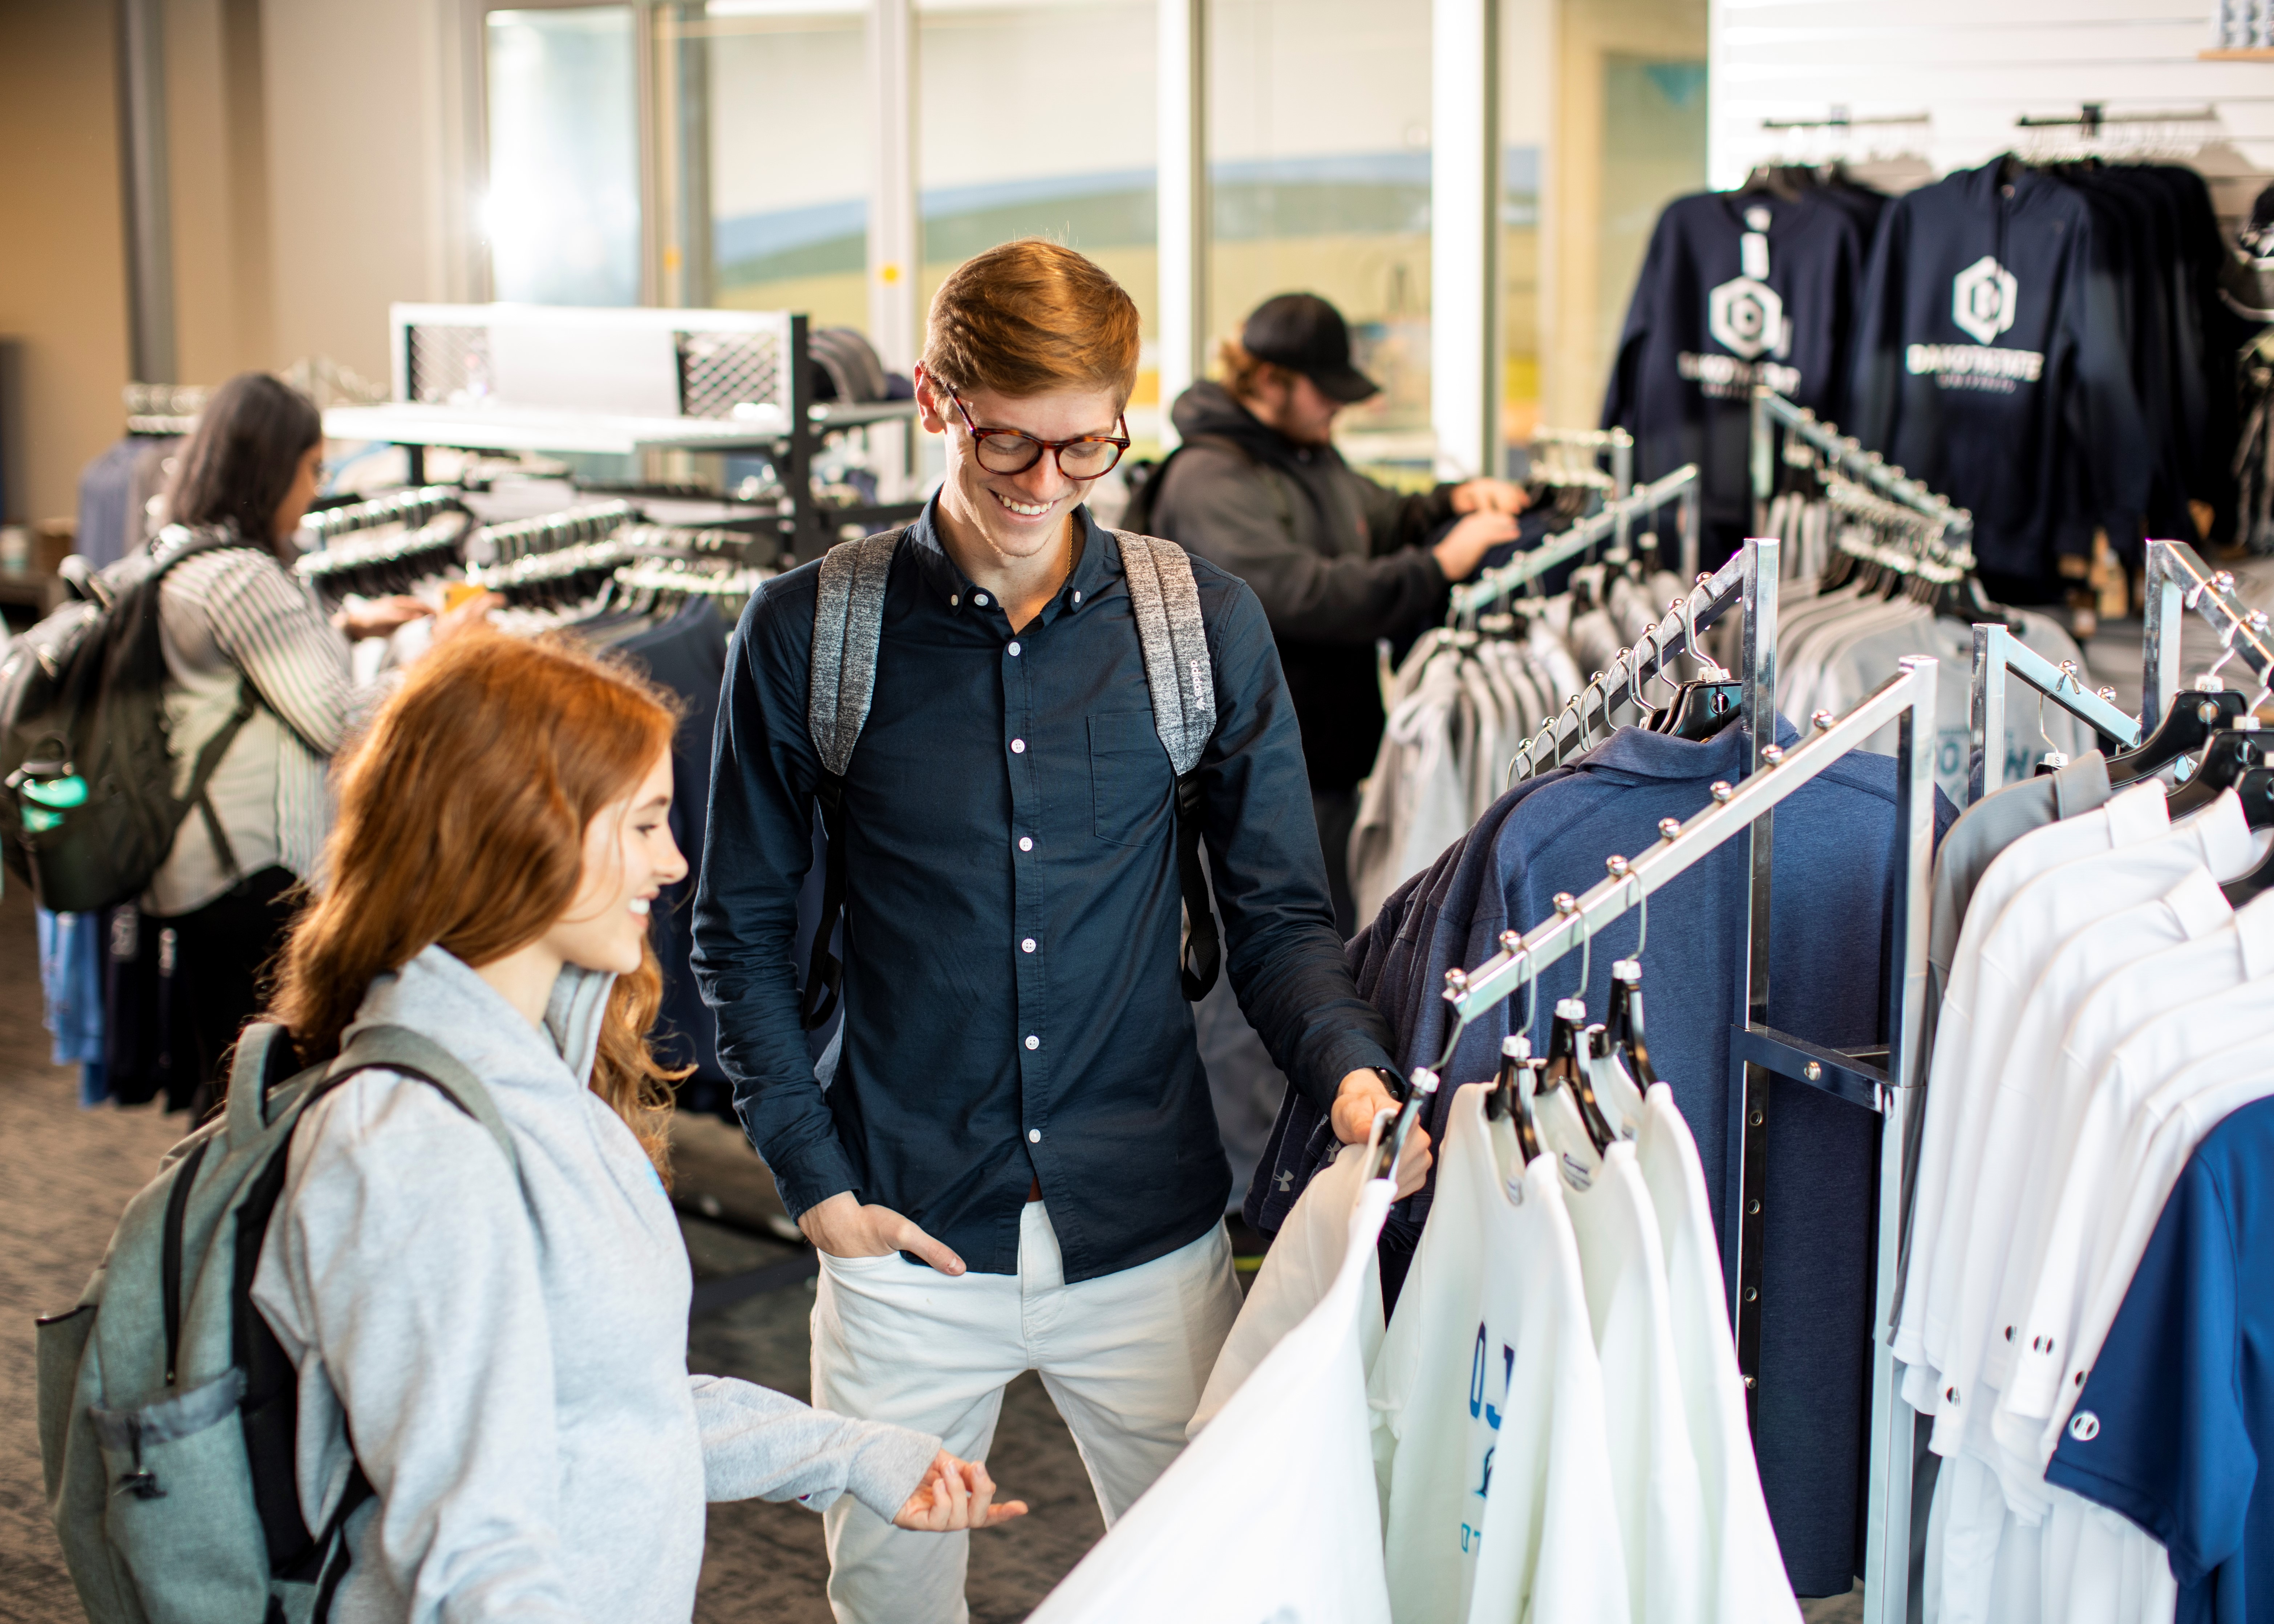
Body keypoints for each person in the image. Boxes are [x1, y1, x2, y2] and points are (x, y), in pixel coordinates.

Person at [691, 239, 1430, 1624]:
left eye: (1085, 449)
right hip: (900, 1228)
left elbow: (1275, 911)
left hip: (1146, 1219)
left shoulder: (1200, 624)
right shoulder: (809, 633)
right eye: (1008, 446)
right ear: (934, 400)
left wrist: (1346, 1067)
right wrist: (813, 1183)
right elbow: (736, 936)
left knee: (1213, 1588)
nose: (1044, 489)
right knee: (892, 1601)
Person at [251, 631, 1022, 1621]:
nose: (676, 860)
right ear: (523, 828)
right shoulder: (412, 1140)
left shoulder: (543, 1086)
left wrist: (849, 1453)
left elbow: (607, 1411)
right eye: (647, 824)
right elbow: (467, 1553)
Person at [1147, 292, 1532, 935]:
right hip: (1250, 777)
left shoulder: (1305, 455)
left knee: (1322, 942)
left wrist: (1449, 502)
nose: (1338, 408)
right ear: (1271, 381)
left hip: (1319, 766)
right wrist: (1436, 569)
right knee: (1263, 961)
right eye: (1326, 392)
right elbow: (1298, 594)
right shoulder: (1210, 476)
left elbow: (1374, 517)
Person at [147, 371, 472, 1113]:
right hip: (252, 871)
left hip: (208, 865)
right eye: (314, 468)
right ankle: (235, 1228)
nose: (317, 487)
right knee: (260, 1093)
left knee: (235, 1077)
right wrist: (440, 654)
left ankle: (228, 1222)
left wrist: (347, 629)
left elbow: (234, 678)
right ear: (274, 468)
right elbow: (340, 721)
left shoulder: (186, 553)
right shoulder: (244, 579)